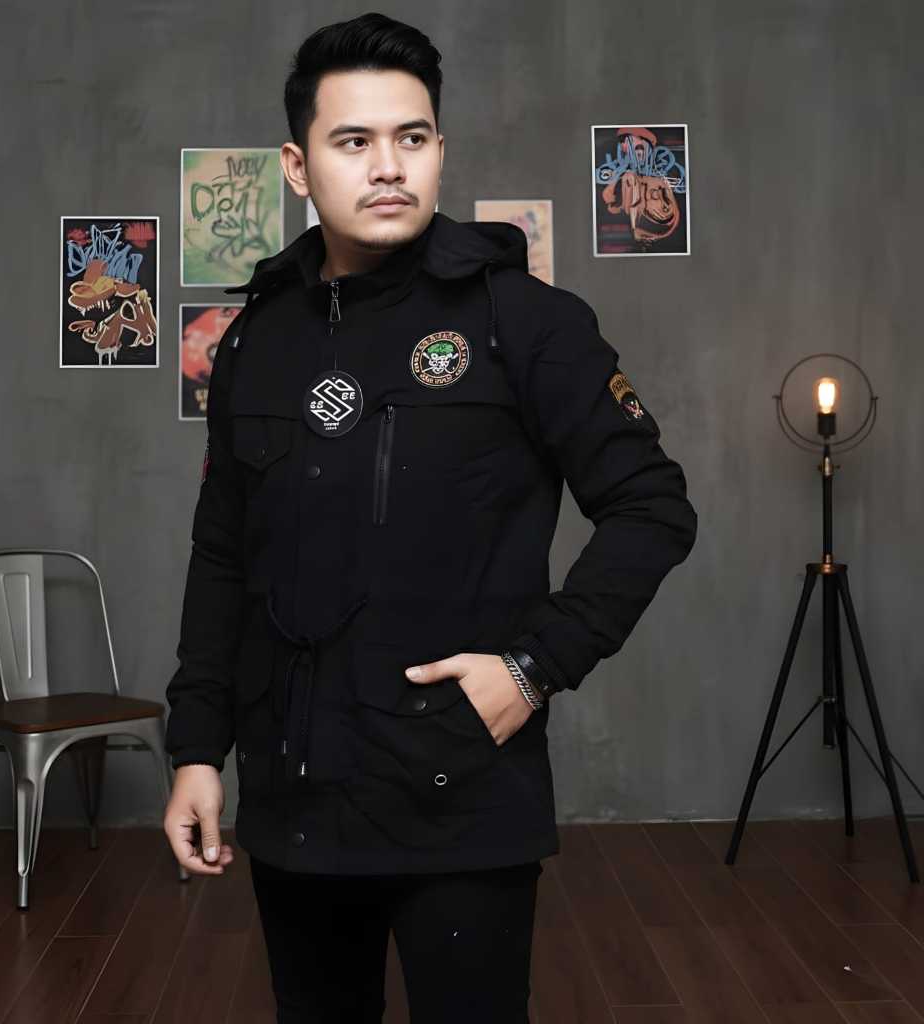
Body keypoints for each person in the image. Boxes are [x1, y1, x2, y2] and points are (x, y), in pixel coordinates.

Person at [162, 12, 697, 1022]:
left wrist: (534, 667)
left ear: (440, 150)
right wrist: (196, 748)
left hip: (461, 798)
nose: (387, 165)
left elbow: (652, 508)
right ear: (297, 165)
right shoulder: (256, 336)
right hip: (296, 802)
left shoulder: (526, 322)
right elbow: (222, 553)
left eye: (411, 137)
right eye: (352, 140)